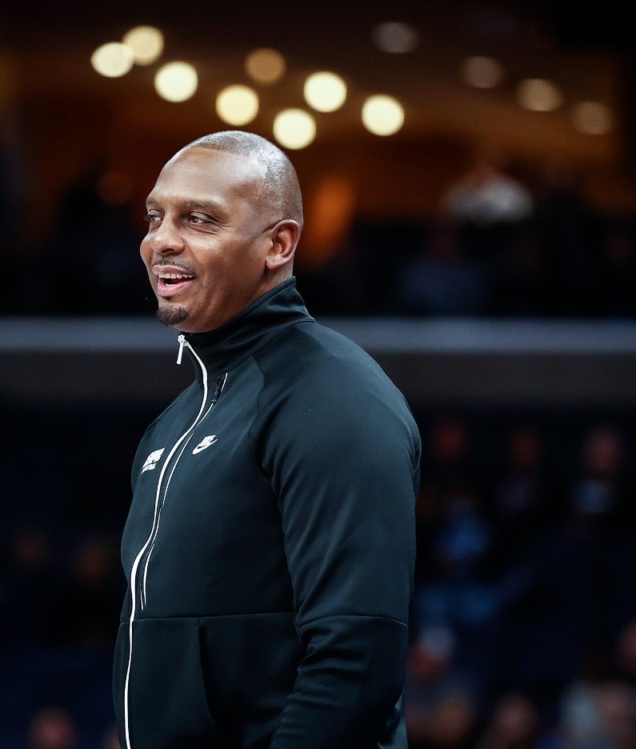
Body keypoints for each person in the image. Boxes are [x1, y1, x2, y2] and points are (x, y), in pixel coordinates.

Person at [112, 130, 421, 749]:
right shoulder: (176, 421)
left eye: (200, 219)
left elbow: (355, 659)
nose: (162, 240)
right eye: (155, 216)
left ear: (278, 244)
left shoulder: (333, 399)